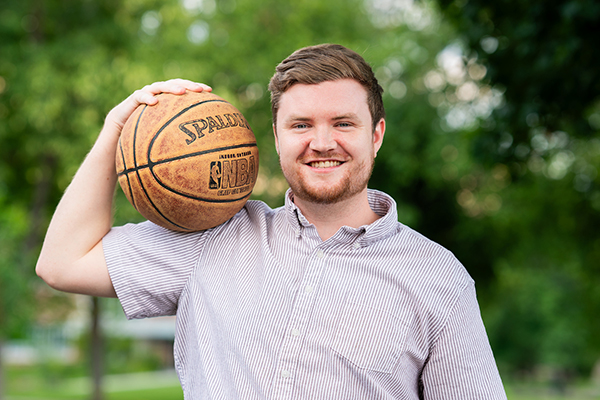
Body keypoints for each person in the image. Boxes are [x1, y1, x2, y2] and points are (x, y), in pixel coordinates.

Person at [37, 44, 507, 399]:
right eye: (300, 125)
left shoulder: (438, 278)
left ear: (376, 134)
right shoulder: (212, 237)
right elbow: (62, 262)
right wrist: (117, 129)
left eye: (343, 123)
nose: (322, 143)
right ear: (275, 138)